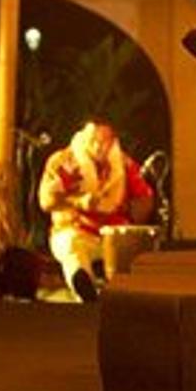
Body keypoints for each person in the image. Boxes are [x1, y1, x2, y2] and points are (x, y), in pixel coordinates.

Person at [40, 120, 153, 301]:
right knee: (72, 249)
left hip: (112, 236)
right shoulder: (65, 162)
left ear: (112, 142)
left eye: (104, 141)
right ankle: (85, 292)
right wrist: (78, 202)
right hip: (76, 231)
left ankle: (127, 300)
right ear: (83, 138)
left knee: (131, 246)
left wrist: (130, 212)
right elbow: (46, 201)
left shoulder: (125, 165)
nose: (98, 146)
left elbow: (144, 198)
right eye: (93, 140)